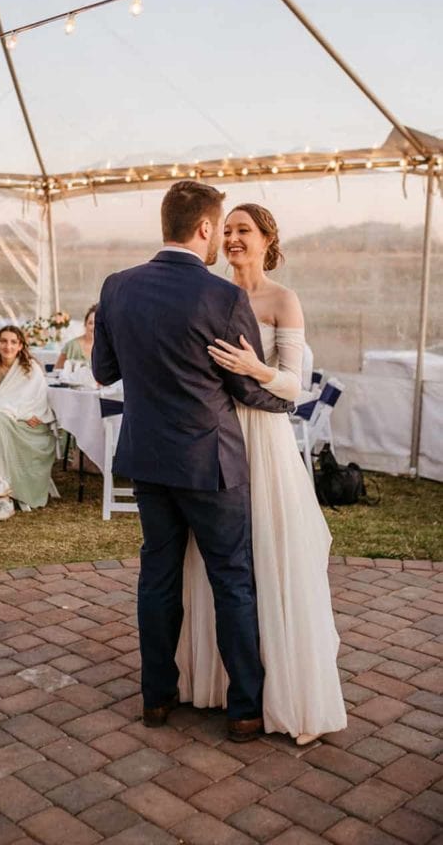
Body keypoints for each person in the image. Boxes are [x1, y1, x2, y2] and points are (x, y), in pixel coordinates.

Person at [92, 180, 292, 742]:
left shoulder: (117, 287)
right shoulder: (224, 298)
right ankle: (245, 710)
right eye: (219, 227)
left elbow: (104, 372)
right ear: (205, 228)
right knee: (233, 581)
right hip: (211, 463)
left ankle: (157, 697)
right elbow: (246, 385)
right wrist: (285, 399)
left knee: (157, 577)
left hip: (148, 459)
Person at [178, 203, 346, 746]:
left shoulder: (282, 299)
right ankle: (221, 681)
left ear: (267, 238)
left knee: (270, 553)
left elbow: (296, 386)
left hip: (266, 441)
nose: (231, 238)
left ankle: (279, 687)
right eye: (225, 230)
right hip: (216, 439)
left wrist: (256, 368)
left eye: (242, 230)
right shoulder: (209, 295)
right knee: (218, 561)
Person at [0, 325, 56, 521]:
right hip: (6, 421)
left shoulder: (31, 368)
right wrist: (18, 413)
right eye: (3, 341)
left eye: (13, 342)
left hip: (30, 427)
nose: (8, 346)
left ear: (20, 345)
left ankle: (2, 488)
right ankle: (3, 495)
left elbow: (38, 401)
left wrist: (19, 414)